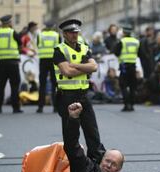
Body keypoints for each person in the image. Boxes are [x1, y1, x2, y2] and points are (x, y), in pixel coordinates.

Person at [53, 19, 105, 163]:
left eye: (76, 32)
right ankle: (75, 163)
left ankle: (96, 161)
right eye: (71, 33)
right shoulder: (59, 50)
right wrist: (83, 67)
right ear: (64, 34)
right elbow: (66, 71)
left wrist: (75, 65)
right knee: (71, 134)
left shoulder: (84, 47)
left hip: (83, 95)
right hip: (67, 96)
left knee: (92, 131)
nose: (74, 35)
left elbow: (94, 67)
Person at [0, 14, 23, 113]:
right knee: (14, 85)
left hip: (1, 62)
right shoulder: (12, 32)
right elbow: (20, 44)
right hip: (13, 62)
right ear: (9, 23)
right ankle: (15, 108)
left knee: (1, 85)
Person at [113, 25, 141, 112]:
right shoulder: (136, 41)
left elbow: (116, 52)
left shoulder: (122, 41)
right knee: (132, 86)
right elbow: (140, 53)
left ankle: (126, 105)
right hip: (133, 66)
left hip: (124, 66)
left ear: (124, 33)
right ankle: (132, 105)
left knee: (123, 85)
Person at [37, 21, 60, 113]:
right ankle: (55, 107)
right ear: (53, 26)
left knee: (42, 84)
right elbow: (59, 47)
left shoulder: (40, 35)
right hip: (53, 60)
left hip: (43, 60)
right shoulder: (56, 35)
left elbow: (38, 45)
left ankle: (40, 107)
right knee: (55, 84)